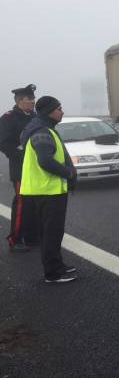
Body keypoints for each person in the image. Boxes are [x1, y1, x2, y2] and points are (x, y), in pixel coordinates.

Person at [19, 96, 78, 283]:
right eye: (58, 108)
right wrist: (68, 173)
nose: (62, 111)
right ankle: (53, 273)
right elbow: (45, 160)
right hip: (48, 190)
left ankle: (57, 265)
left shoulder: (43, 129)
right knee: (51, 232)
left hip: (45, 190)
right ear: (49, 111)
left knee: (50, 232)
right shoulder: (42, 132)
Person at [0, 84, 38, 251]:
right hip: (21, 168)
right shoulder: (8, 118)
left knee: (35, 203)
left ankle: (31, 236)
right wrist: (21, 157)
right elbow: (4, 143)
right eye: (30, 99)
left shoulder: (34, 116)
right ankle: (14, 240)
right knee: (22, 203)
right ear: (21, 101)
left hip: (38, 167)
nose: (33, 102)